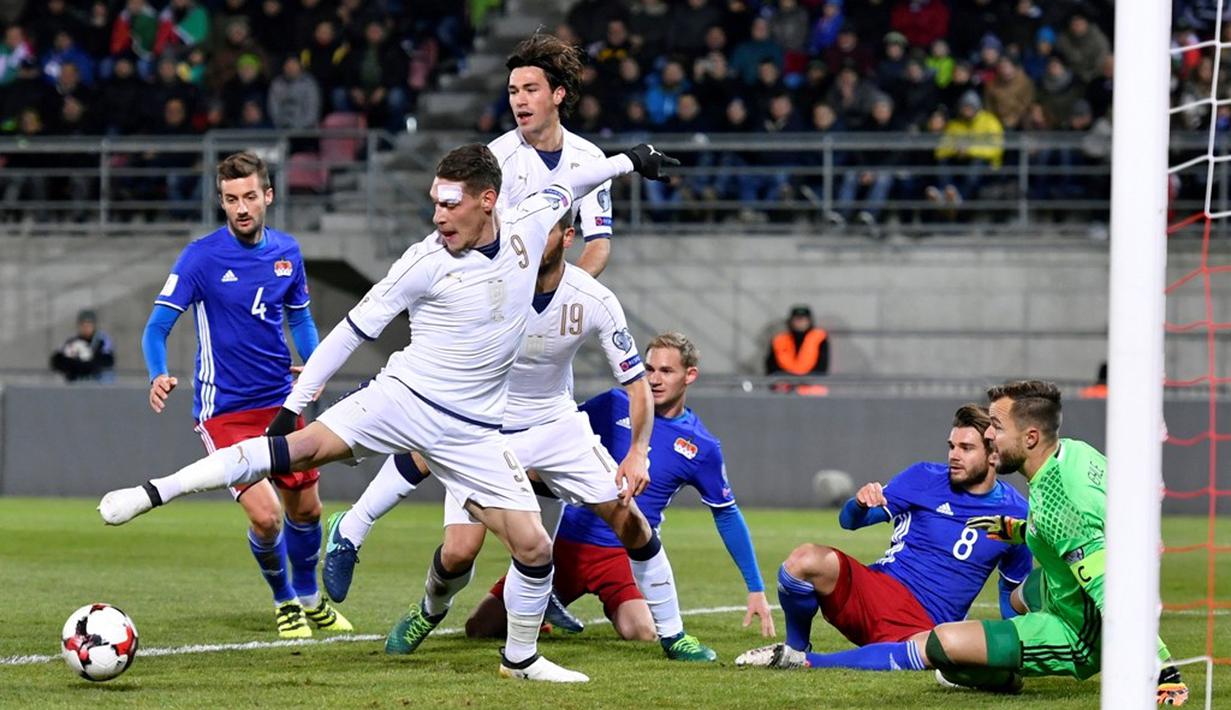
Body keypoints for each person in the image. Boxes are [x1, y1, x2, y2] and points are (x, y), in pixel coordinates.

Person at [100, 141, 680, 683]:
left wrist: (632, 159)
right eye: (434, 202)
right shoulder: (422, 262)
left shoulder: (531, 222)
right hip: (402, 398)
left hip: (475, 431)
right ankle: (153, 492)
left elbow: (576, 179)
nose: (438, 216)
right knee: (296, 450)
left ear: (488, 201)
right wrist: (292, 408)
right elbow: (349, 333)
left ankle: (520, 659)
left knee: (535, 549)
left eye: (449, 204)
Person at [323, 220, 719, 662]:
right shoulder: (487, 282)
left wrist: (638, 452)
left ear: (567, 238)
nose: (531, 239)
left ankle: (674, 635)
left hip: (555, 425)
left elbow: (635, 383)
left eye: (545, 231)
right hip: (486, 426)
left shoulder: (594, 299)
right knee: (458, 551)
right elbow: (430, 345)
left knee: (629, 519)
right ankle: (427, 607)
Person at [134, 151, 347, 640]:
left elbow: (300, 318)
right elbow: (155, 328)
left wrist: (314, 364)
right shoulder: (200, 257)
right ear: (222, 202)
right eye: (231, 199)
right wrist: (157, 374)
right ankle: (284, 600)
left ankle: (310, 598)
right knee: (268, 518)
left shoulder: (288, 252)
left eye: (250, 196)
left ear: (268, 195)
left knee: (307, 511)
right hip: (225, 411)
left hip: (281, 403)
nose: (242, 207)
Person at [872, 381, 1187, 704]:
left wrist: (1162, 669)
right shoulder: (1072, 452)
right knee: (1019, 598)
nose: (988, 435)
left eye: (997, 426)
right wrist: (1019, 531)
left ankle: (1009, 673)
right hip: (1060, 587)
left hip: (1080, 627)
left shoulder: (1062, 505)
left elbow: (1110, 592)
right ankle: (1010, 646)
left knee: (942, 645)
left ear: (1030, 437)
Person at [463, 332, 776, 645]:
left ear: (689, 375)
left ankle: (555, 610)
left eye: (666, 371)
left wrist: (756, 589)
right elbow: (553, 435)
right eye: (649, 369)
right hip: (565, 545)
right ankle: (541, 609)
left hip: (622, 555)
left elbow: (726, 515)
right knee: (479, 627)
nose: (654, 379)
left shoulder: (701, 447)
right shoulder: (612, 404)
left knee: (642, 632)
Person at [734, 404, 1031, 671]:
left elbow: (1011, 592)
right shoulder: (924, 477)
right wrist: (860, 504)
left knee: (935, 647)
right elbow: (849, 522)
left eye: (966, 448)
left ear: (994, 455)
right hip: (878, 593)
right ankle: (796, 647)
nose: (954, 455)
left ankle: (804, 663)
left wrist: (1013, 648)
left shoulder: (1017, 516)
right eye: (951, 446)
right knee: (804, 560)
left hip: (926, 625)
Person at [491, 32, 615, 277]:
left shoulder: (590, 158)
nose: (520, 100)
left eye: (531, 90)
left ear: (558, 94)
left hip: (556, 283)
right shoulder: (495, 159)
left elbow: (598, 243)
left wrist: (565, 292)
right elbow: (491, 247)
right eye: (514, 92)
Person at [50, 309, 115, 382]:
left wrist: (82, 364)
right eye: (83, 325)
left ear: (94, 326)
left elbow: (106, 361)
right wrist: (74, 365)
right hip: (76, 383)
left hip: (98, 383)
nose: (86, 328)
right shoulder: (72, 342)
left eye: (89, 325)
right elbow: (58, 361)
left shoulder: (102, 341)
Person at [765, 305, 829, 376]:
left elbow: (821, 367)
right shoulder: (779, 340)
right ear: (790, 322)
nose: (800, 322)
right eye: (797, 319)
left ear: (809, 321)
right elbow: (771, 366)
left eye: (803, 319)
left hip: (811, 380)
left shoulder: (819, 338)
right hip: (784, 381)